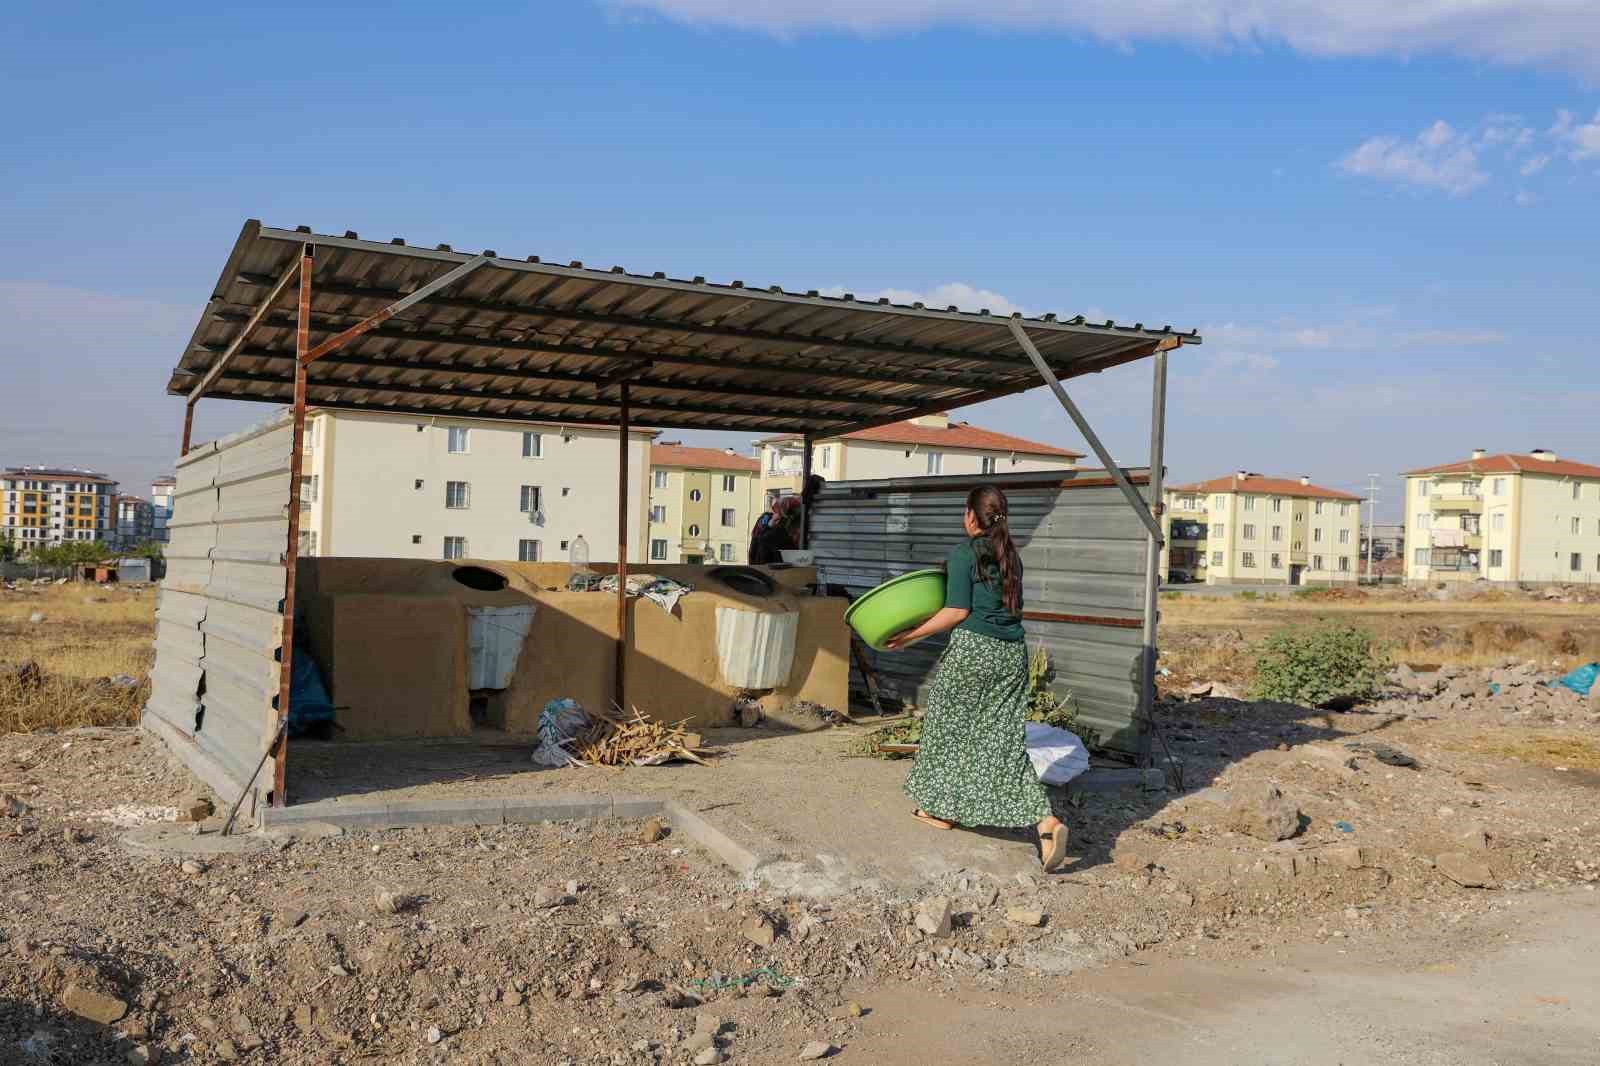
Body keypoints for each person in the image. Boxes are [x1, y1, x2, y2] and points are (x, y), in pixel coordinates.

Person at [883, 485, 1068, 872]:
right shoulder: (1010, 555)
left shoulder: (964, 552)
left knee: (948, 728)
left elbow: (955, 612)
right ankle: (1045, 822)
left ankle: (942, 810)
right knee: (1002, 738)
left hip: (974, 651)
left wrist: (909, 635)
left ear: (970, 515)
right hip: (1012, 654)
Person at [749, 495, 801, 564]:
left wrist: (769, 525)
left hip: (768, 564)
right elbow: (756, 539)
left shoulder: (782, 529)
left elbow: (760, 538)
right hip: (764, 563)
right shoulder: (766, 518)